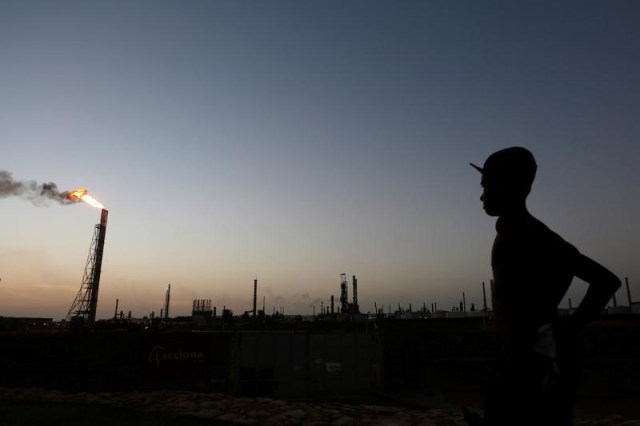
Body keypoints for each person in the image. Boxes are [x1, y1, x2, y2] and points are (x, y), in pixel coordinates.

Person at [467, 147, 621, 426]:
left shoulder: (536, 238)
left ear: (510, 187)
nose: (481, 195)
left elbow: (606, 281)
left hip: (537, 363)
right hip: (522, 356)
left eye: (486, 185)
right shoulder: (519, 233)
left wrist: (569, 329)